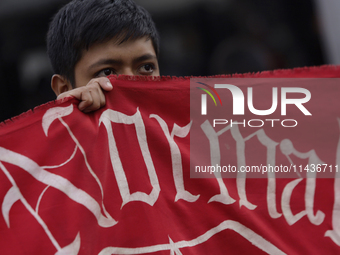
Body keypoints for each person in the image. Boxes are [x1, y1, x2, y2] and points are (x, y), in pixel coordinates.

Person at [47, 0, 160, 112]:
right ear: (64, 89)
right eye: (107, 72)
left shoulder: (176, 125)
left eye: (147, 67)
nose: (131, 86)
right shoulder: (59, 128)